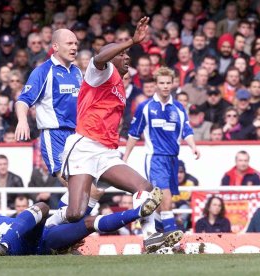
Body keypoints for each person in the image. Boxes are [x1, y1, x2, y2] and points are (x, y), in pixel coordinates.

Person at [60, 17, 182, 251]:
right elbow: (99, 57)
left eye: (128, 55)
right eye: (123, 55)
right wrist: (132, 41)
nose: (127, 57)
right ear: (112, 58)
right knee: (75, 213)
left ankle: (150, 237)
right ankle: (46, 230)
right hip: (84, 146)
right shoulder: (100, 74)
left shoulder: (119, 84)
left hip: (106, 151)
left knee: (146, 189)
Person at [0, 186, 165, 256]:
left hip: (37, 244)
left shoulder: (3, 219)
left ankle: (139, 213)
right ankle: (4, 246)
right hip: (15, 246)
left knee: (88, 224)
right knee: (41, 206)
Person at [124, 66, 200, 233]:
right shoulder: (145, 107)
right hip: (155, 158)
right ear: (156, 85)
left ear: (173, 84)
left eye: (168, 83)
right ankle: (172, 238)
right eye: (162, 83)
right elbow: (134, 133)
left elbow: (186, 130)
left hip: (173, 159)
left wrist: (193, 146)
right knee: (165, 197)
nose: (165, 86)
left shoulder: (179, 108)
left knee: (162, 203)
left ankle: (156, 231)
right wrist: (126, 157)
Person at [15, 28, 82, 185]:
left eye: (76, 44)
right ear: (56, 46)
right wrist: (22, 121)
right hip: (55, 135)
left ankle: (64, 210)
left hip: (77, 135)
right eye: (69, 43)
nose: (74, 47)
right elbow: (23, 100)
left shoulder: (77, 72)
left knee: (85, 190)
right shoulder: (43, 71)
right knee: (74, 186)